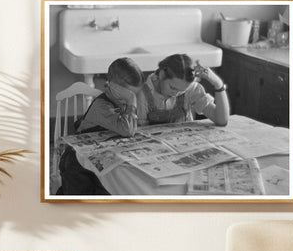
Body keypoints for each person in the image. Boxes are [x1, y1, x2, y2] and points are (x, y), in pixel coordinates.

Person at [57, 57, 145, 195]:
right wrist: (131, 101)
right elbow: (127, 130)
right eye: (128, 95)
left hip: (100, 157)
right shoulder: (101, 106)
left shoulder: (122, 103)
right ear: (113, 87)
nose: (131, 99)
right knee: (80, 199)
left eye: (135, 94)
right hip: (78, 163)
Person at [137, 54, 230, 127]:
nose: (175, 94)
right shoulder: (143, 93)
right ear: (161, 75)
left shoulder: (191, 89)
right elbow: (141, 133)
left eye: (181, 91)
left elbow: (221, 120)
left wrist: (218, 84)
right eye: (173, 88)